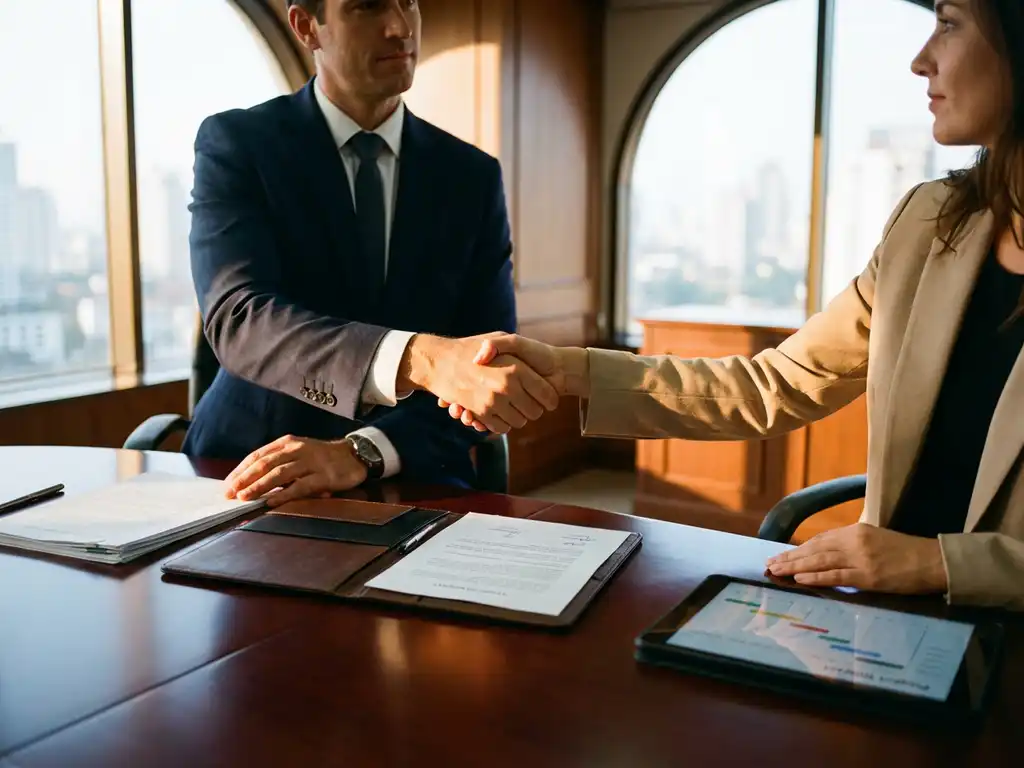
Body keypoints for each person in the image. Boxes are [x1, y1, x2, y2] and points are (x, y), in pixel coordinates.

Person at [443, 0, 1024, 610]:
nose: (920, 59)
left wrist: (938, 564)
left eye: (950, 23)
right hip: (890, 623)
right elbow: (773, 384)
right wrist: (570, 371)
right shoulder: (929, 223)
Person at [186, 0, 557, 505]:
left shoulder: (471, 177)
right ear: (305, 26)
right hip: (249, 470)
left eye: (410, 3)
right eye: (367, 7)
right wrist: (418, 359)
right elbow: (241, 317)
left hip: (409, 474)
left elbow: (485, 369)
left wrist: (362, 451)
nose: (400, 27)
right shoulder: (239, 145)